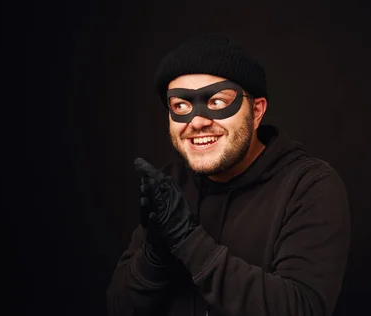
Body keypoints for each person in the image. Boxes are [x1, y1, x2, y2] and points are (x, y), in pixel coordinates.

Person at [105, 33, 351, 316]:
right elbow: (118, 308)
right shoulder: (170, 187)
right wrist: (155, 256)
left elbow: (302, 309)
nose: (196, 121)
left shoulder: (309, 187)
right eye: (181, 106)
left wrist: (187, 241)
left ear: (256, 112)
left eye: (218, 102)